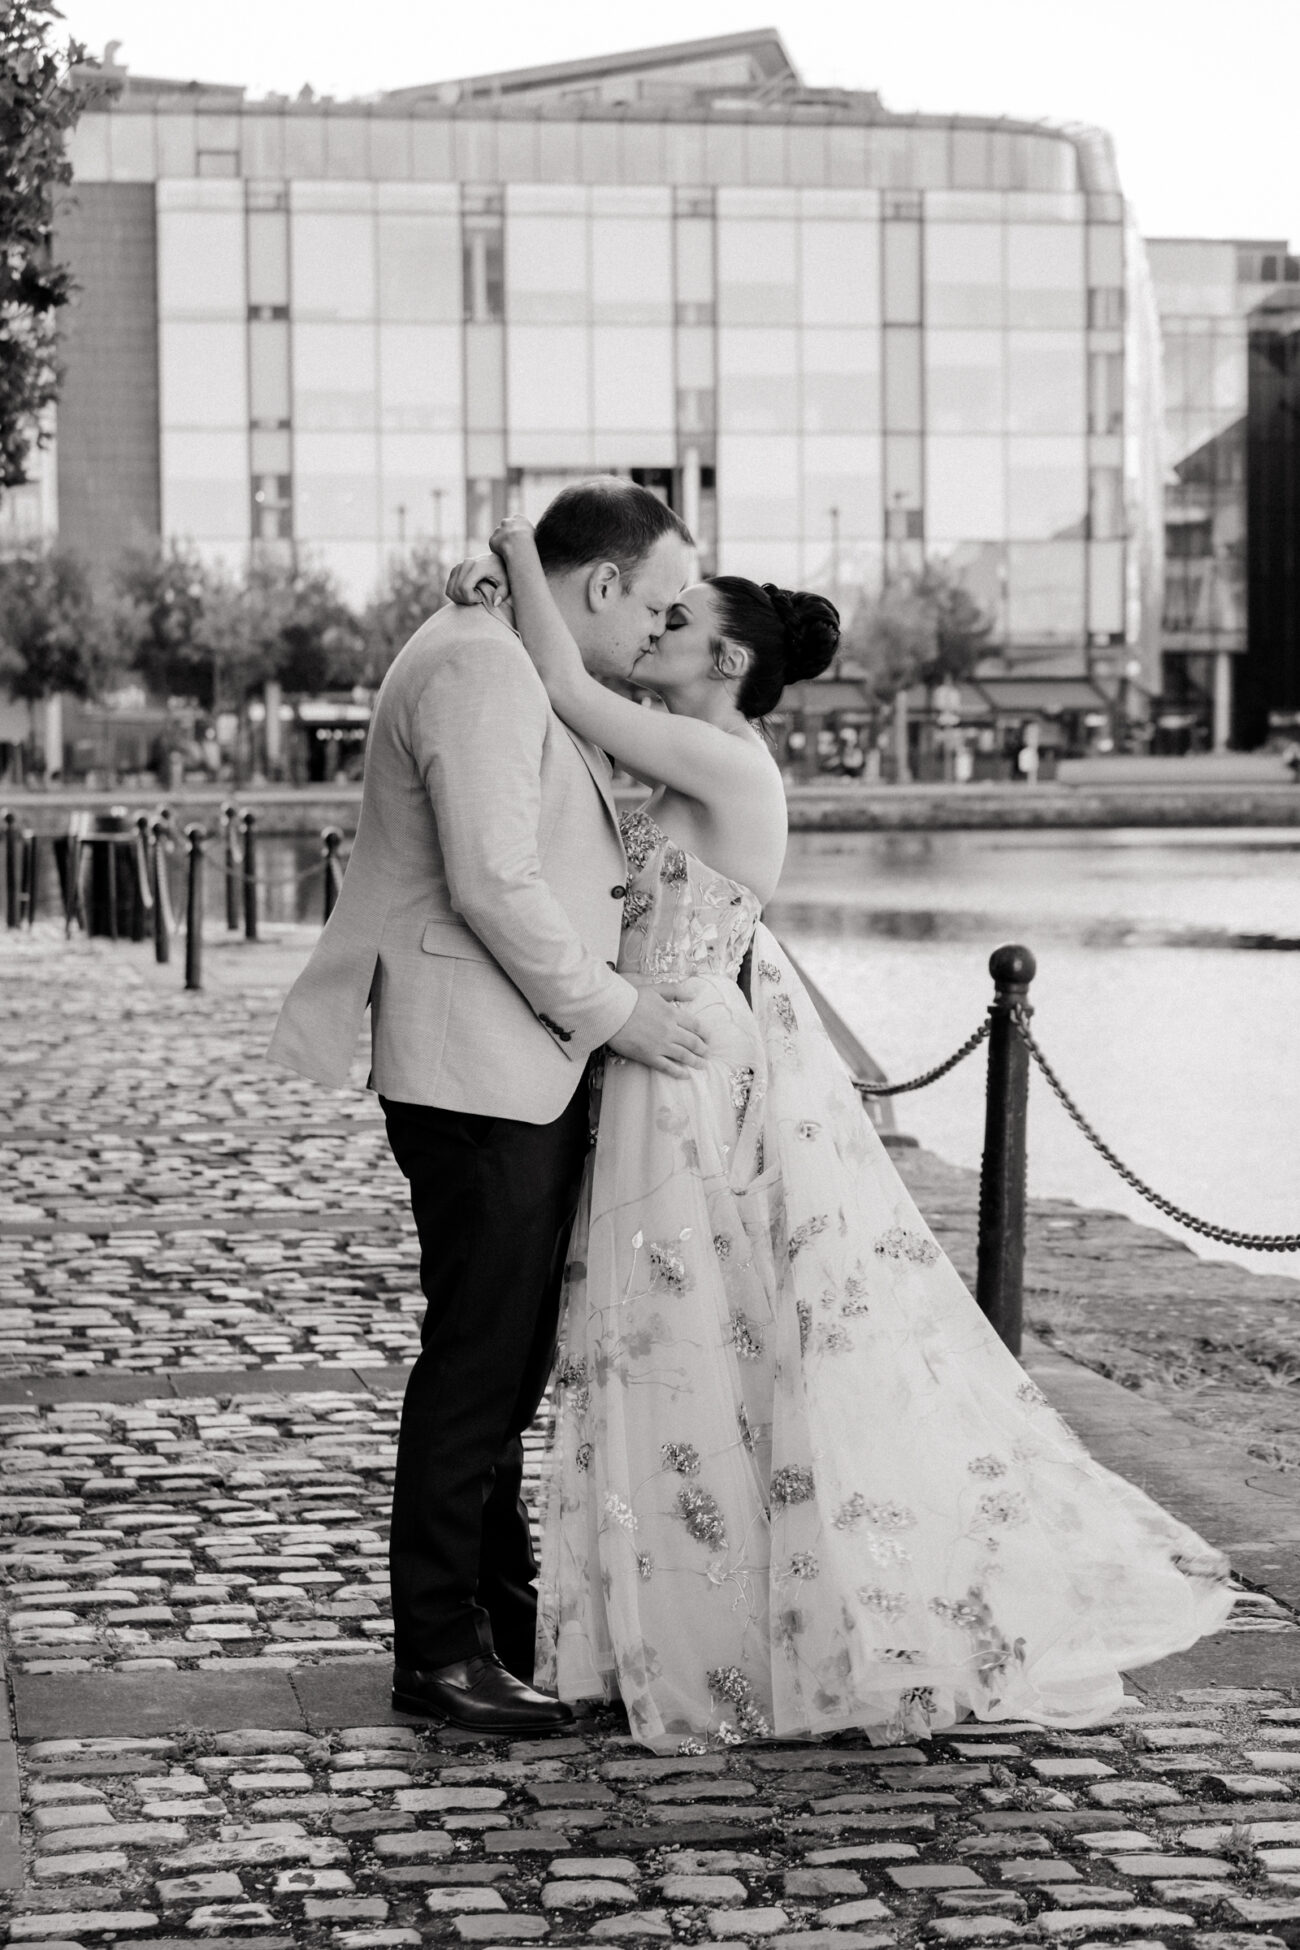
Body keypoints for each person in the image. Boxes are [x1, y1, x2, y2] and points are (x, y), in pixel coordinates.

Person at [446, 515, 1234, 1755]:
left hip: (687, 1068)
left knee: (689, 1330)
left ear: (723, 664)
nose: (653, 630)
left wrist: (505, 543)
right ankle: (670, 1620)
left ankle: (724, 1637)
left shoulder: (730, 765)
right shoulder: (690, 751)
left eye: (677, 622)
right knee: (669, 1332)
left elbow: (557, 679)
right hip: (661, 1055)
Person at [268, 479, 711, 1736]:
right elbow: (495, 883)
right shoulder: (478, 666)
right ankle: (438, 1652)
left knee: (505, 1366)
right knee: (474, 1369)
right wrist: (621, 1012)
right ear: (604, 584)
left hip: (509, 1067)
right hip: (478, 1073)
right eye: (660, 603)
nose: (659, 632)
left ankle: (505, 1624)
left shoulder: (503, 646)